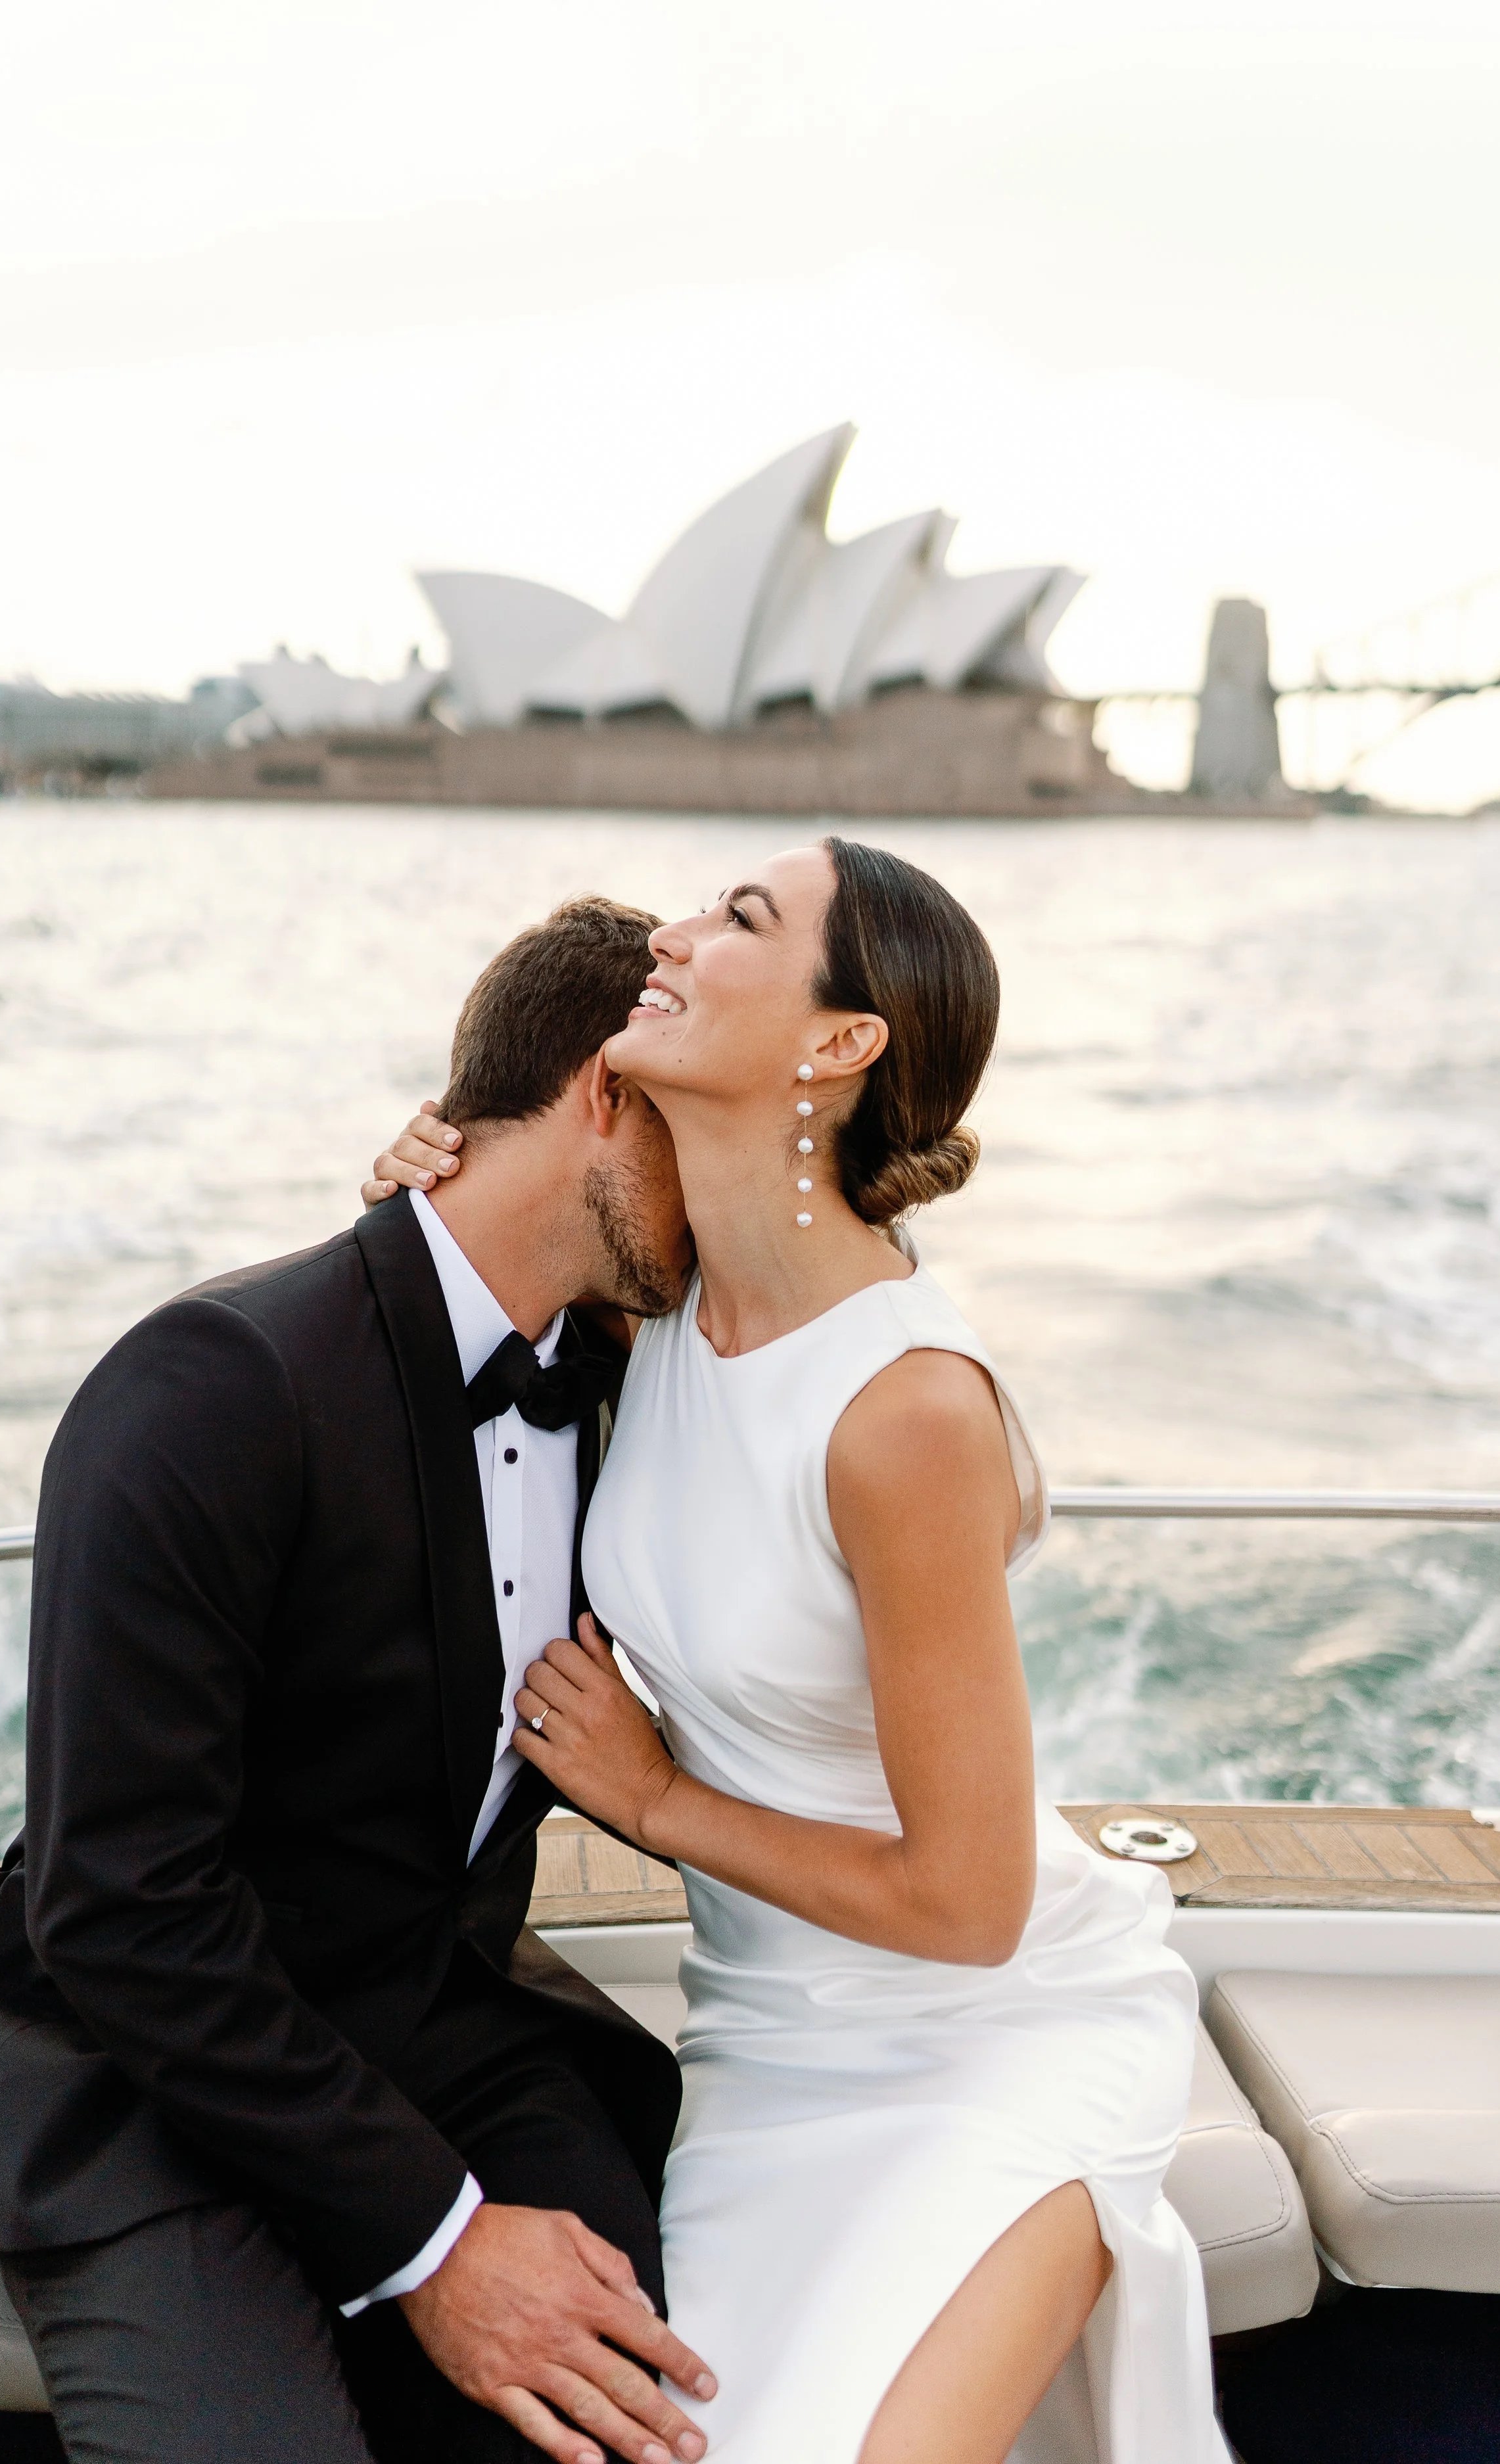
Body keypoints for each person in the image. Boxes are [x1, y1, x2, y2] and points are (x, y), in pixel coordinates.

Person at [373, 839, 1226, 2464]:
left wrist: (654, 1800)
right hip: (764, 2046)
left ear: (839, 1047)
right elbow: (452, 1319)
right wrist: (436, 1166)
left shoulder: (902, 1411)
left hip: (986, 2041)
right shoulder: (660, 1300)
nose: (673, 935)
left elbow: (969, 1910)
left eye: (740, 919)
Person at [0, 897, 720, 2464]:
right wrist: (440, 2242)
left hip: (439, 2026)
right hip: (152, 2077)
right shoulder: (212, 1386)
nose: (723, 1190)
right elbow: (120, 1907)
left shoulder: (620, 1369)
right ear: (608, 1091)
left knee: (647, 2407)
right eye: (698, 1126)